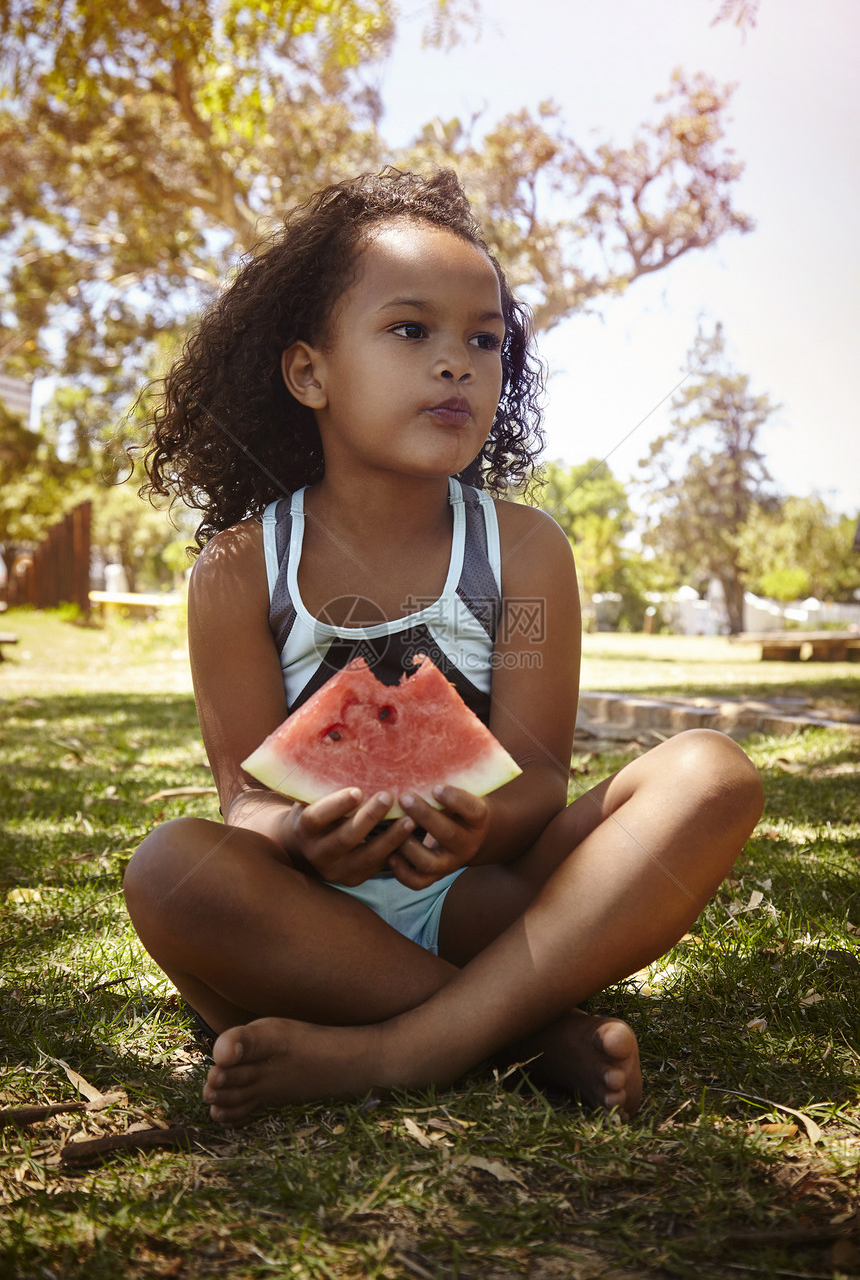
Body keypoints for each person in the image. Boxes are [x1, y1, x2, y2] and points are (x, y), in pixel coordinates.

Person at [124, 168, 764, 1126]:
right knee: (169, 871)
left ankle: (401, 1048)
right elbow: (245, 800)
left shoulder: (525, 550)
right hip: (309, 916)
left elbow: (541, 779)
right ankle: (530, 1035)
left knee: (712, 775)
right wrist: (300, 833)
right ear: (310, 373)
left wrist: (483, 825)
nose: (458, 362)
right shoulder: (236, 568)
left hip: (489, 902)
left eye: (485, 339)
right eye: (411, 330)